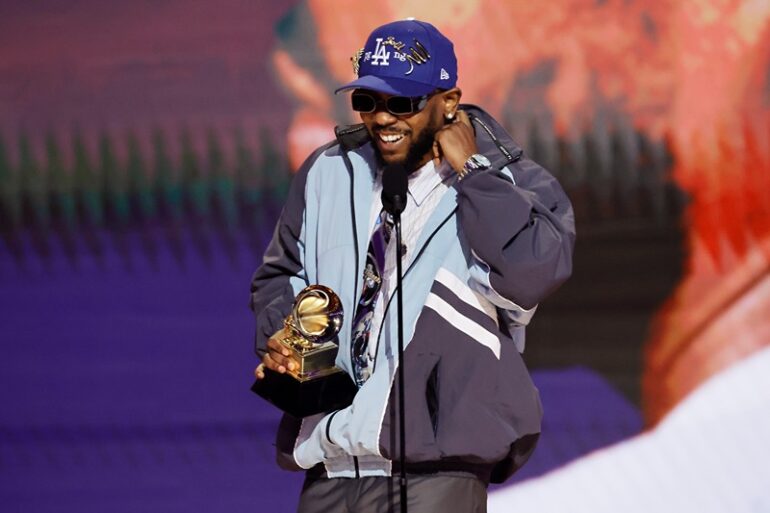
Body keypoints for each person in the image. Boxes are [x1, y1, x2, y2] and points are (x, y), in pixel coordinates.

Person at [250, 18, 575, 513]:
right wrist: (287, 336)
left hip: (436, 472)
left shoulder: (509, 181)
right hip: (332, 465)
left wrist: (473, 172)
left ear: (448, 101)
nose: (382, 118)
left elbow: (530, 272)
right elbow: (279, 275)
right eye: (368, 101)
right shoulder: (328, 173)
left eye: (402, 103)